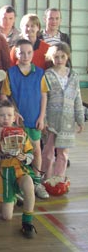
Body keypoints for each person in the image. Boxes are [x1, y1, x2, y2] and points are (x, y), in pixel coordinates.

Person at [1, 39, 49, 199]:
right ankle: (19, 182)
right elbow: (4, 95)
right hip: (18, 122)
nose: (25, 55)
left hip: (34, 119)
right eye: (21, 52)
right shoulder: (11, 73)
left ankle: (36, 182)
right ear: (16, 53)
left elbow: (43, 96)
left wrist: (42, 116)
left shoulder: (40, 73)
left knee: (36, 150)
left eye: (29, 52)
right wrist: (13, 112)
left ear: (33, 53)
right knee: (18, 151)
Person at [0, 100, 36, 238]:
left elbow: (31, 154)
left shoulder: (21, 132)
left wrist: (24, 157)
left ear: (14, 117)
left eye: (9, 115)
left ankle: (27, 223)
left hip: (19, 171)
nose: (5, 118)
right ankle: (14, 197)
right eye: (2, 115)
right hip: (4, 175)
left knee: (29, 184)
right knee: (6, 217)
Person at [42, 43, 84, 183]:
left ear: (68, 56)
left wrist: (80, 119)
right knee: (48, 152)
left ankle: (59, 178)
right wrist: (44, 119)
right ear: (50, 57)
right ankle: (45, 178)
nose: (59, 59)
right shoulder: (47, 74)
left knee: (63, 152)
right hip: (52, 119)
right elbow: (44, 97)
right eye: (56, 57)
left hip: (68, 120)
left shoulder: (73, 76)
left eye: (62, 56)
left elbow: (77, 98)